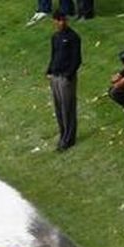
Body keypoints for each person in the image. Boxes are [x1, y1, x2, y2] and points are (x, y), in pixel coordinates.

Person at [45, 12, 81, 151]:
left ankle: (69, 138)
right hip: (55, 75)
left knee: (68, 107)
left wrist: (69, 74)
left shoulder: (73, 37)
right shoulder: (55, 37)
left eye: (62, 20)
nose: (60, 23)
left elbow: (76, 59)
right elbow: (54, 55)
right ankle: (62, 134)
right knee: (59, 107)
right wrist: (49, 70)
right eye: (58, 20)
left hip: (66, 77)